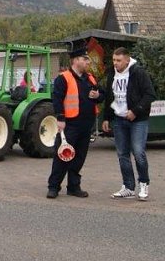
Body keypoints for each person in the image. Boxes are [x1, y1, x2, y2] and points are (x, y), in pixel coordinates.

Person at [46, 46, 104, 199]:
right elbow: (57, 99)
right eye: (85, 59)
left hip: (86, 124)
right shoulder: (63, 78)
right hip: (70, 125)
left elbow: (102, 95)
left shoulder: (90, 78)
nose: (87, 62)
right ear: (76, 60)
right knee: (62, 156)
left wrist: (97, 95)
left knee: (79, 157)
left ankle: (73, 186)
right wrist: (60, 118)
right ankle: (53, 187)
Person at [101, 47, 156, 201]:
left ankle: (144, 183)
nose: (115, 63)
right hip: (119, 120)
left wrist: (135, 111)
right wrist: (106, 118)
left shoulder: (138, 72)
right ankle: (128, 186)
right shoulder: (112, 73)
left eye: (118, 60)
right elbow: (110, 96)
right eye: (113, 60)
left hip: (138, 120)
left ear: (127, 59)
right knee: (122, 154)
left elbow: (150, 94)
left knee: (138, 152)